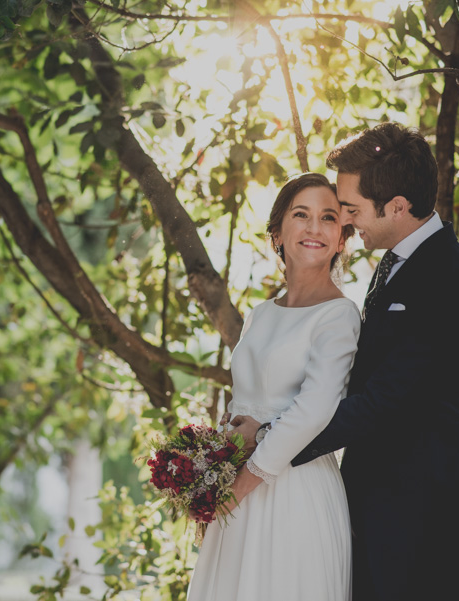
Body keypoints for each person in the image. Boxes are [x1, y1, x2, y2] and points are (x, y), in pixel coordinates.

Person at [231, 122, 459, 601]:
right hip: (367, 496)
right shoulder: (394, 265)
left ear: (397, 206)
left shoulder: (454, 277)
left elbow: (385, 399)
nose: (348, 223)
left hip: (417, 505)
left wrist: (266, 439)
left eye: (351, 210)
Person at [187, 172, 359, 601]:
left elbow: (314, 411)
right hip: (236, 490)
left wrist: (238, 488)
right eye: (301, 214)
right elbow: (241, 402)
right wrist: (210, 475)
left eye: (328, 217)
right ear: (277, 233)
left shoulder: (339, 315)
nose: (314, 227)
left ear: (341, 238)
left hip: (294, 490)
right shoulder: (260, 314)